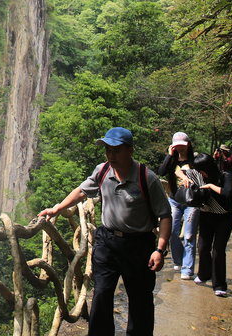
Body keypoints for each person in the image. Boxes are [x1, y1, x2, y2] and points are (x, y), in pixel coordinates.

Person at [38, 127, 171, 336]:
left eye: (116, 150)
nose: (111, 155)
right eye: (108, 149)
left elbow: (165, 216)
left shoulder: (147, 178)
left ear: (130, 151)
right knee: (101, 294)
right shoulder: (102, 171)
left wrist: (160, 250)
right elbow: (82, 191)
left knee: (140, 299)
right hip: (107, 242)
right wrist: (57, 208)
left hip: (138, 245)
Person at [191, 152, 232, 297]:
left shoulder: (225, 175)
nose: (199, 173)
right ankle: (204, 274)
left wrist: (210, 186)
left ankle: (220, 285)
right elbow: (179, 171)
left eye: (200, 170)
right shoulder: (198, 176)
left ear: (208, 167)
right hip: (207, 215)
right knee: (203, 247)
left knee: (218, 250)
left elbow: (227, 193)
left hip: (224, 218)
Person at [157, 131, 199, 279]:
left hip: (192, 202)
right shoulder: (172, 161)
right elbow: (161, 172)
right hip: (174, 200)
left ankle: (187, 269)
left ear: (188, 145)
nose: (180, 148)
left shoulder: (196, 160)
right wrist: (169, 155)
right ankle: (179, 260)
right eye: (177, 146)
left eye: (182, 145)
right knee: (172, 232)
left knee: (189, 235)